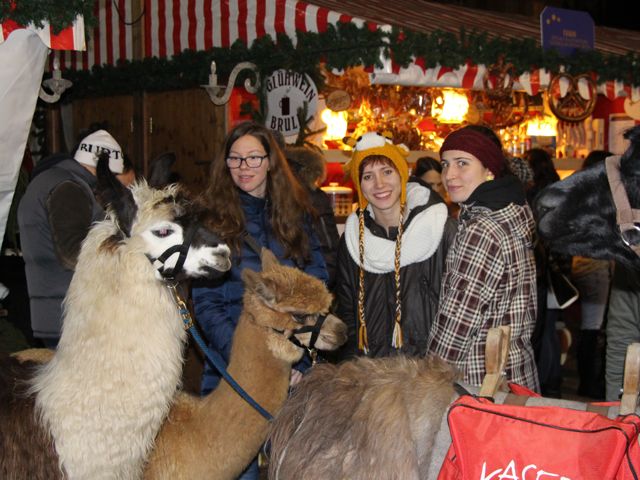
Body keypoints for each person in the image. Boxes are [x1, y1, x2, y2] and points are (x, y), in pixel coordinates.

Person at [192, 121, 328, 480]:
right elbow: (206, 306)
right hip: (235, 376)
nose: (244, 167)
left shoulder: (296, 216)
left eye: (253, 157)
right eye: (235, 159)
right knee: (238, 470)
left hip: (295, 376)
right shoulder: (211, 223)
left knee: (296, 468)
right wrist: (254, 359)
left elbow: (317, 290)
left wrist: (295, 356)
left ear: (271, 161)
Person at [427, 125, 540, 391]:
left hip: (479, 382)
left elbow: (458, 320)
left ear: (489, 169)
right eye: (445, 164)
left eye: (462, 163)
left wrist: (428, 378)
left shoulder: (482, 229)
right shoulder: (512, 213)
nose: (449, 175)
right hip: (515, 374)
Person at [334, 132, 457, 359]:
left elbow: (458, 308)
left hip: (429, 373)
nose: (379, 184)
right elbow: (347, 313)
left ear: (402, 174)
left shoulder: (439, 229)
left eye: (387, 172)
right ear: (360, 185)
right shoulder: (353, 239)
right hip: (372, 374)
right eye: (368, 176)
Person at [17, 129, 125, 348]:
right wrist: (124, 253)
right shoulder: (68, 187)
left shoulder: (53, 181)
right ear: (103, 170)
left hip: (57, 311)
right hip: (71, 316)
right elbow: (72, 253)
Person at [571, 150, 614, 399]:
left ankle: (586, 381)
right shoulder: (602, 196)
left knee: (588, 326)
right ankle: (589, 383)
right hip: (597, 267)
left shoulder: (579, 192)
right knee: (593, 327)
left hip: (581, 264)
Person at [284, 145, 340, 290]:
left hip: (298, 286)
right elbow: (328, 248)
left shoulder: (280, 193)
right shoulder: (314, 197)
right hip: (307, 285)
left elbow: (327, 249)